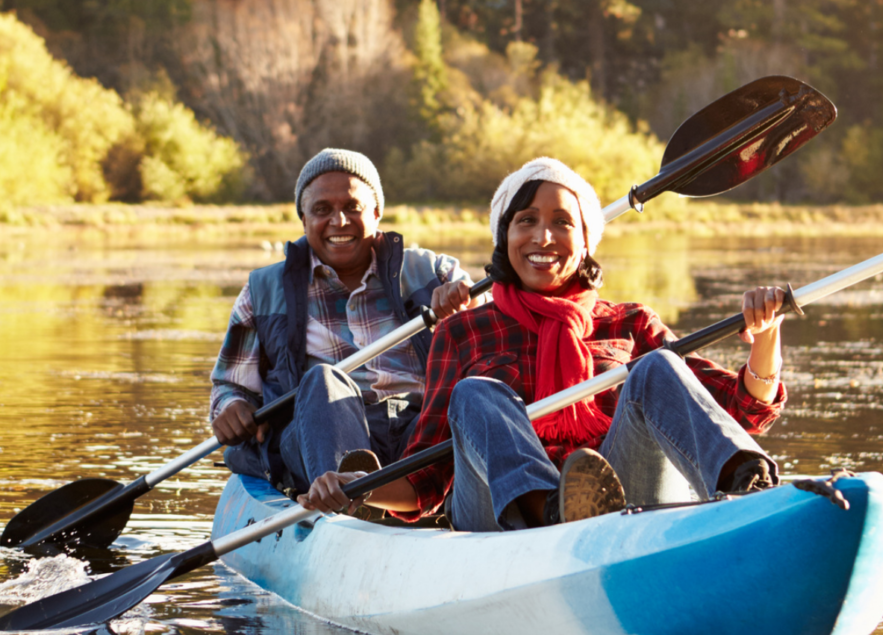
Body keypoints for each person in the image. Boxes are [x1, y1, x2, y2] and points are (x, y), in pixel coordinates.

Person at [299, 157, 787, 529]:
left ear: (585, 241)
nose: (543, 236)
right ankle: (547, 509)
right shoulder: (463, 329)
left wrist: (765, 337)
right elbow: (428, 481)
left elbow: (743, 409)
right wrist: (356, 489)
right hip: (499, 518)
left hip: (621, 493)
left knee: (657, 366)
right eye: (526, 220)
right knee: (477, 391)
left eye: (562, 222)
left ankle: (753, 491)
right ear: (505, 235)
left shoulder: (631, 323)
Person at [210, 147, 479, 495]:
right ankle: (350, 501)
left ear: (377, 213)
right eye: (322, 210)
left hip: (422, 432)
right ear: (304, 220)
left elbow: (491, 359)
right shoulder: (262, 290)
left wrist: (466, 313)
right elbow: (231, 386)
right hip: (315, 434)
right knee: (323, 380)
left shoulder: (437, 274)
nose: (339, 221)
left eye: (353, 207)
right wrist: (231, 406)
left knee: (472, 396)